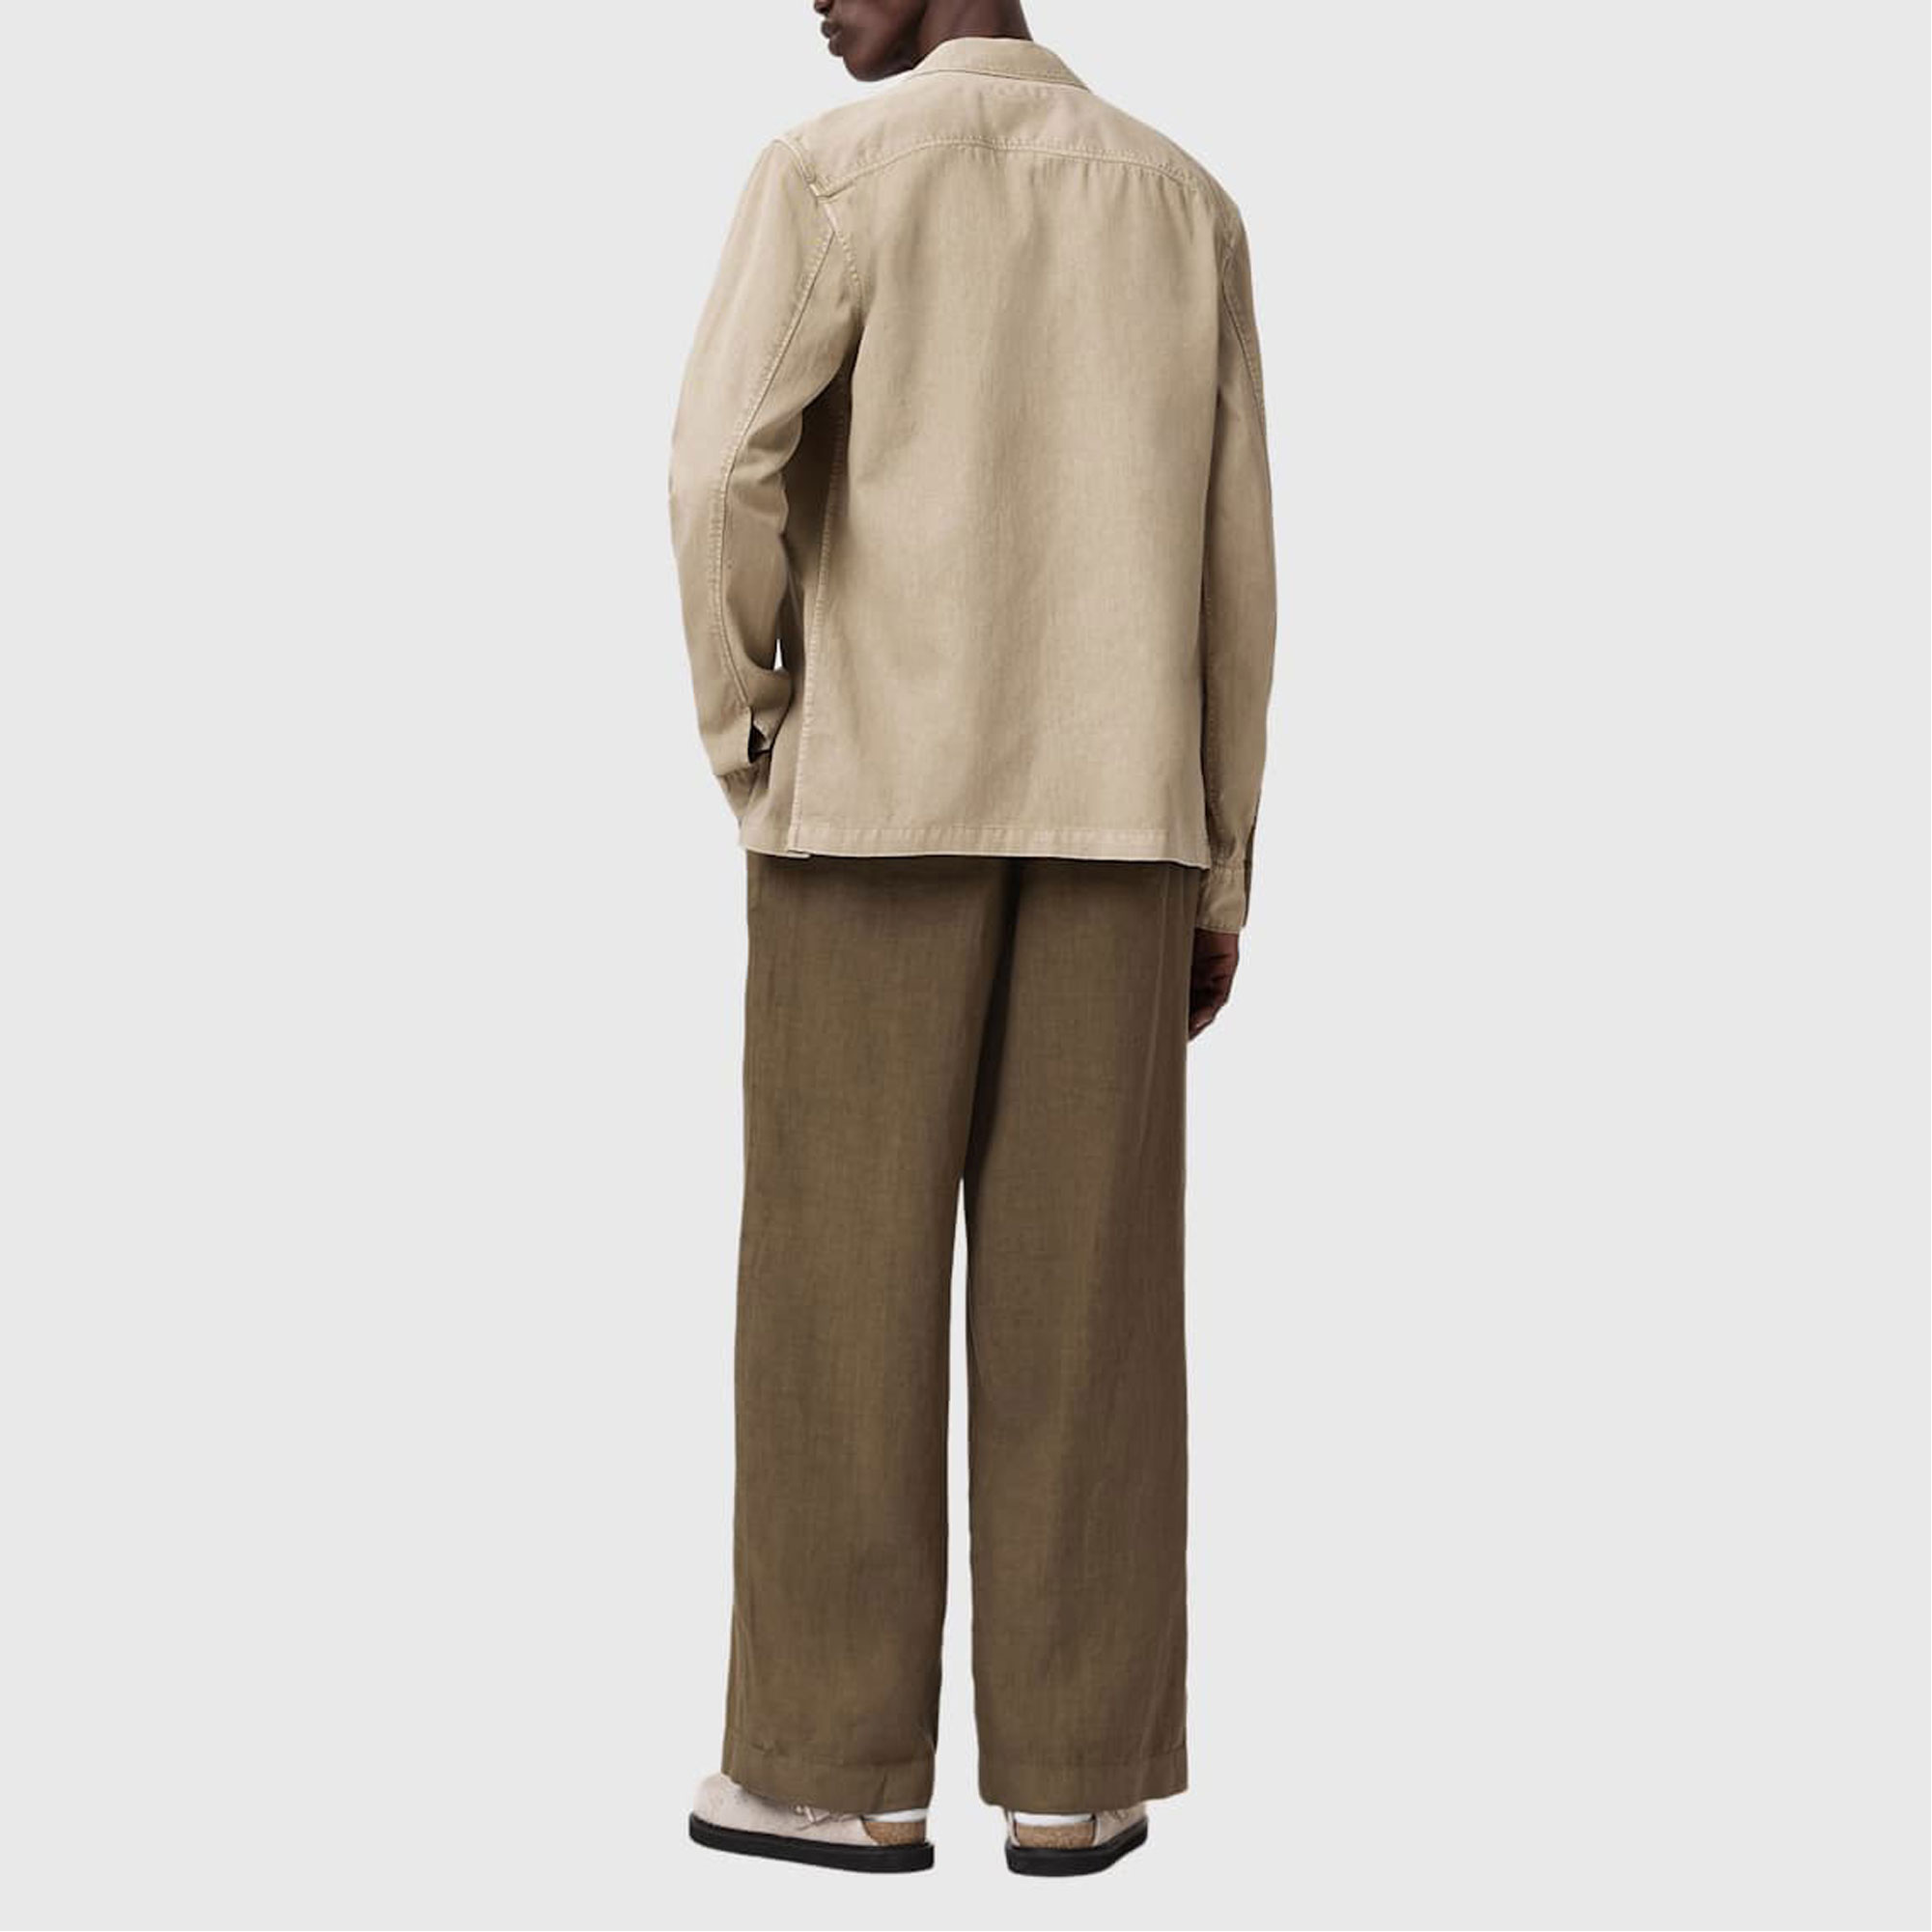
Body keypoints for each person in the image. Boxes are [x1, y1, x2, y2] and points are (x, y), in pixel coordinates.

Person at [668, 0, 1274, 1878]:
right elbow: (1234, 565)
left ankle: (835, 1765)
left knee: (833, 1299)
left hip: (871, 804)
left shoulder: (834, 174)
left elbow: (715, 470)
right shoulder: (1179, 204)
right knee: (1091, 1311)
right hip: (1117, 809)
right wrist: (1217, 861)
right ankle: (1076, 1768)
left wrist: (750, 729)